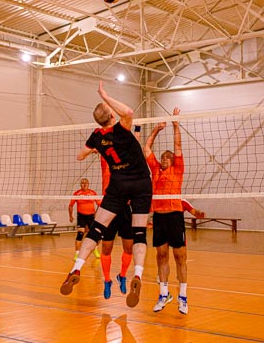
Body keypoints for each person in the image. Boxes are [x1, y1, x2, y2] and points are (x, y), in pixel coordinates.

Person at [61, 81, 152, 309]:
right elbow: (129, 112)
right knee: (139, 233)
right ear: (112, 113)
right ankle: (137, 275)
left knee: (96, 230)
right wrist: (105, 94)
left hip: (117, 185)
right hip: (140, 184)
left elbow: (79, 156)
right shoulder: (122, 129)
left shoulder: (96, 137)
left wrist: (96, 147)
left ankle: (77, 268)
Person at [145, 107, 191, 315]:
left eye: (167, 157)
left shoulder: (177, 169)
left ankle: (183, 297)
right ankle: (163, 295)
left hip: (174, 216)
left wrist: (175, 124)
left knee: (180, 256)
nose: (163, 159)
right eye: (162, 157)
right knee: (161, 255)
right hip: (159, 218)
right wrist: (156, 129)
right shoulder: (155, 169)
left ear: (173, 161)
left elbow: (178, 145)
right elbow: (146, 148)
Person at [69, 178, 100, 260]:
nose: (84, 184)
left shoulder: (93, 193)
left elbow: (100, 204)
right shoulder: (77, 193)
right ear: (80, 184)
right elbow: (71, 205)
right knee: (80, 234)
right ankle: (77, 254)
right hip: (81, 216)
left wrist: (97, 213)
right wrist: (70, 216)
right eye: (82, 183)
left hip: (91, 216)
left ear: (88, 184)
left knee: (96, 235)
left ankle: (95, 249)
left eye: (86, 183)